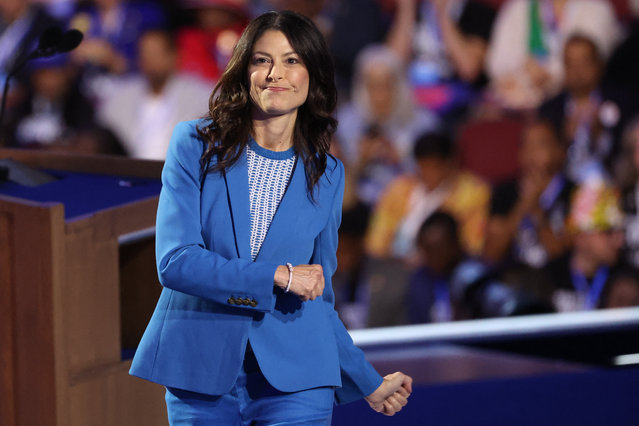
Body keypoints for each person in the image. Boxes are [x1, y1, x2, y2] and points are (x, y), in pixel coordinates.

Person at [129, 11, 412, 424]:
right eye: (262, 60)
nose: (275, 73)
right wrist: (277, 276)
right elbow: (176, 262)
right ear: (245, 71)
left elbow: (319, 297)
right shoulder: (194, 145)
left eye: (292, 60)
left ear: (312, 75)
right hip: (202, 370)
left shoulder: (328, 173)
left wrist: (367, 381)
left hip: (297, 375)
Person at [97, 29, 212, 159]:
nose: (150, 60)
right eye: (145, 53)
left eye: (157, 54)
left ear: (175, 56)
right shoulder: (120, 98)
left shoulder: (202, 97)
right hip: (131, 171)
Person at [483, 118, 574, 269]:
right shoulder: (503, 192)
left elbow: (559, 252)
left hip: (555, 283)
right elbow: (492, 253)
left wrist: (536, 211)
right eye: (525, 145)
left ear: (560, 151)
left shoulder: (574, 193)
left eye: (540, 145)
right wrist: (523, 205)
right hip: (511, 281)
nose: (531, 153)